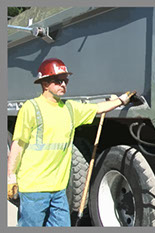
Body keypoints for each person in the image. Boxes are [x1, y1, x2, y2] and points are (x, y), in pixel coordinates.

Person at [7, 58, 136, 227]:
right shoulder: (31, 108)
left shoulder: (69, 108)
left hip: (59, 188)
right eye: (58, 81)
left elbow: (97, 108)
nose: (63, 85)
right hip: (34, 188)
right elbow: (18, 144)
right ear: (45, 84)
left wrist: (121, 100)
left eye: (65, 80)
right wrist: (10, 177)